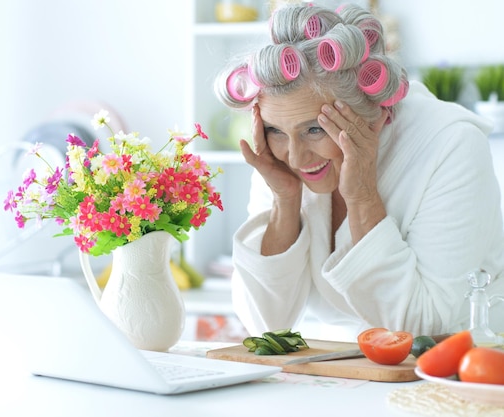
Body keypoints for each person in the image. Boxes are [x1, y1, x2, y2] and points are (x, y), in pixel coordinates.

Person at [214, 2, 504, 342]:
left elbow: (425, 331)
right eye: (276, 130)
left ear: (371, 114)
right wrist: (285, 201)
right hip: (340, 366)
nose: (294, 157)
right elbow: (265, 325)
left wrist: (363, 195)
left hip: (457, 367)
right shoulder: (283, 158)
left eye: (314, 130)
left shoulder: (451, 144)